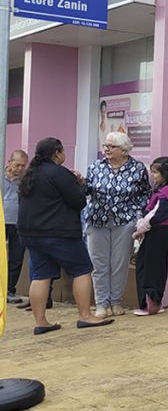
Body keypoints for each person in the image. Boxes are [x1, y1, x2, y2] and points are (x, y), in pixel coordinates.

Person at [17, 138, 113, 334]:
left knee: (41, 276)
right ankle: (85, 316)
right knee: (82, 270)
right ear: (57, 153)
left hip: (31, 234)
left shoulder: (30, 173)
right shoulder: (59, 173)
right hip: (59, 233)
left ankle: (41, 321)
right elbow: (78, 201)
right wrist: (78, 183)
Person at [84, 131, 151, 318]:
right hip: (98, 220)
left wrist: (137, 214)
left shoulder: (137, 168)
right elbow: (87, 189)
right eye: (105, 145)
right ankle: (101, 304)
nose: (106, 149)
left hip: (124, 222)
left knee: (119, 264)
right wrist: (80, 183)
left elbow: (145, 193)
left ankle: (115, 302)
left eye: (111, 146)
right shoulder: (96, 166)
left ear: (124, 150)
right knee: (99, 264)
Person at [131, 157, 168, 316]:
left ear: (166, 174)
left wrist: (140, 229)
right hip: (161, 230)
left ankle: (152, 303)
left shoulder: (167, 192)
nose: (153, 175)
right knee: (150, 263)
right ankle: (151, 302)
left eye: (156, 172)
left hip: (158, 230)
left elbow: (157, 214)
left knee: (151, 266)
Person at [5, 149, 28, 305]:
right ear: (9, 162)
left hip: (19, 223)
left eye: (23, 166)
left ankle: (10, 290)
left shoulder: (25, 181)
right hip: (2, 222)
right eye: (17, 165)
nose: (20, 169)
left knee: (16, 258)